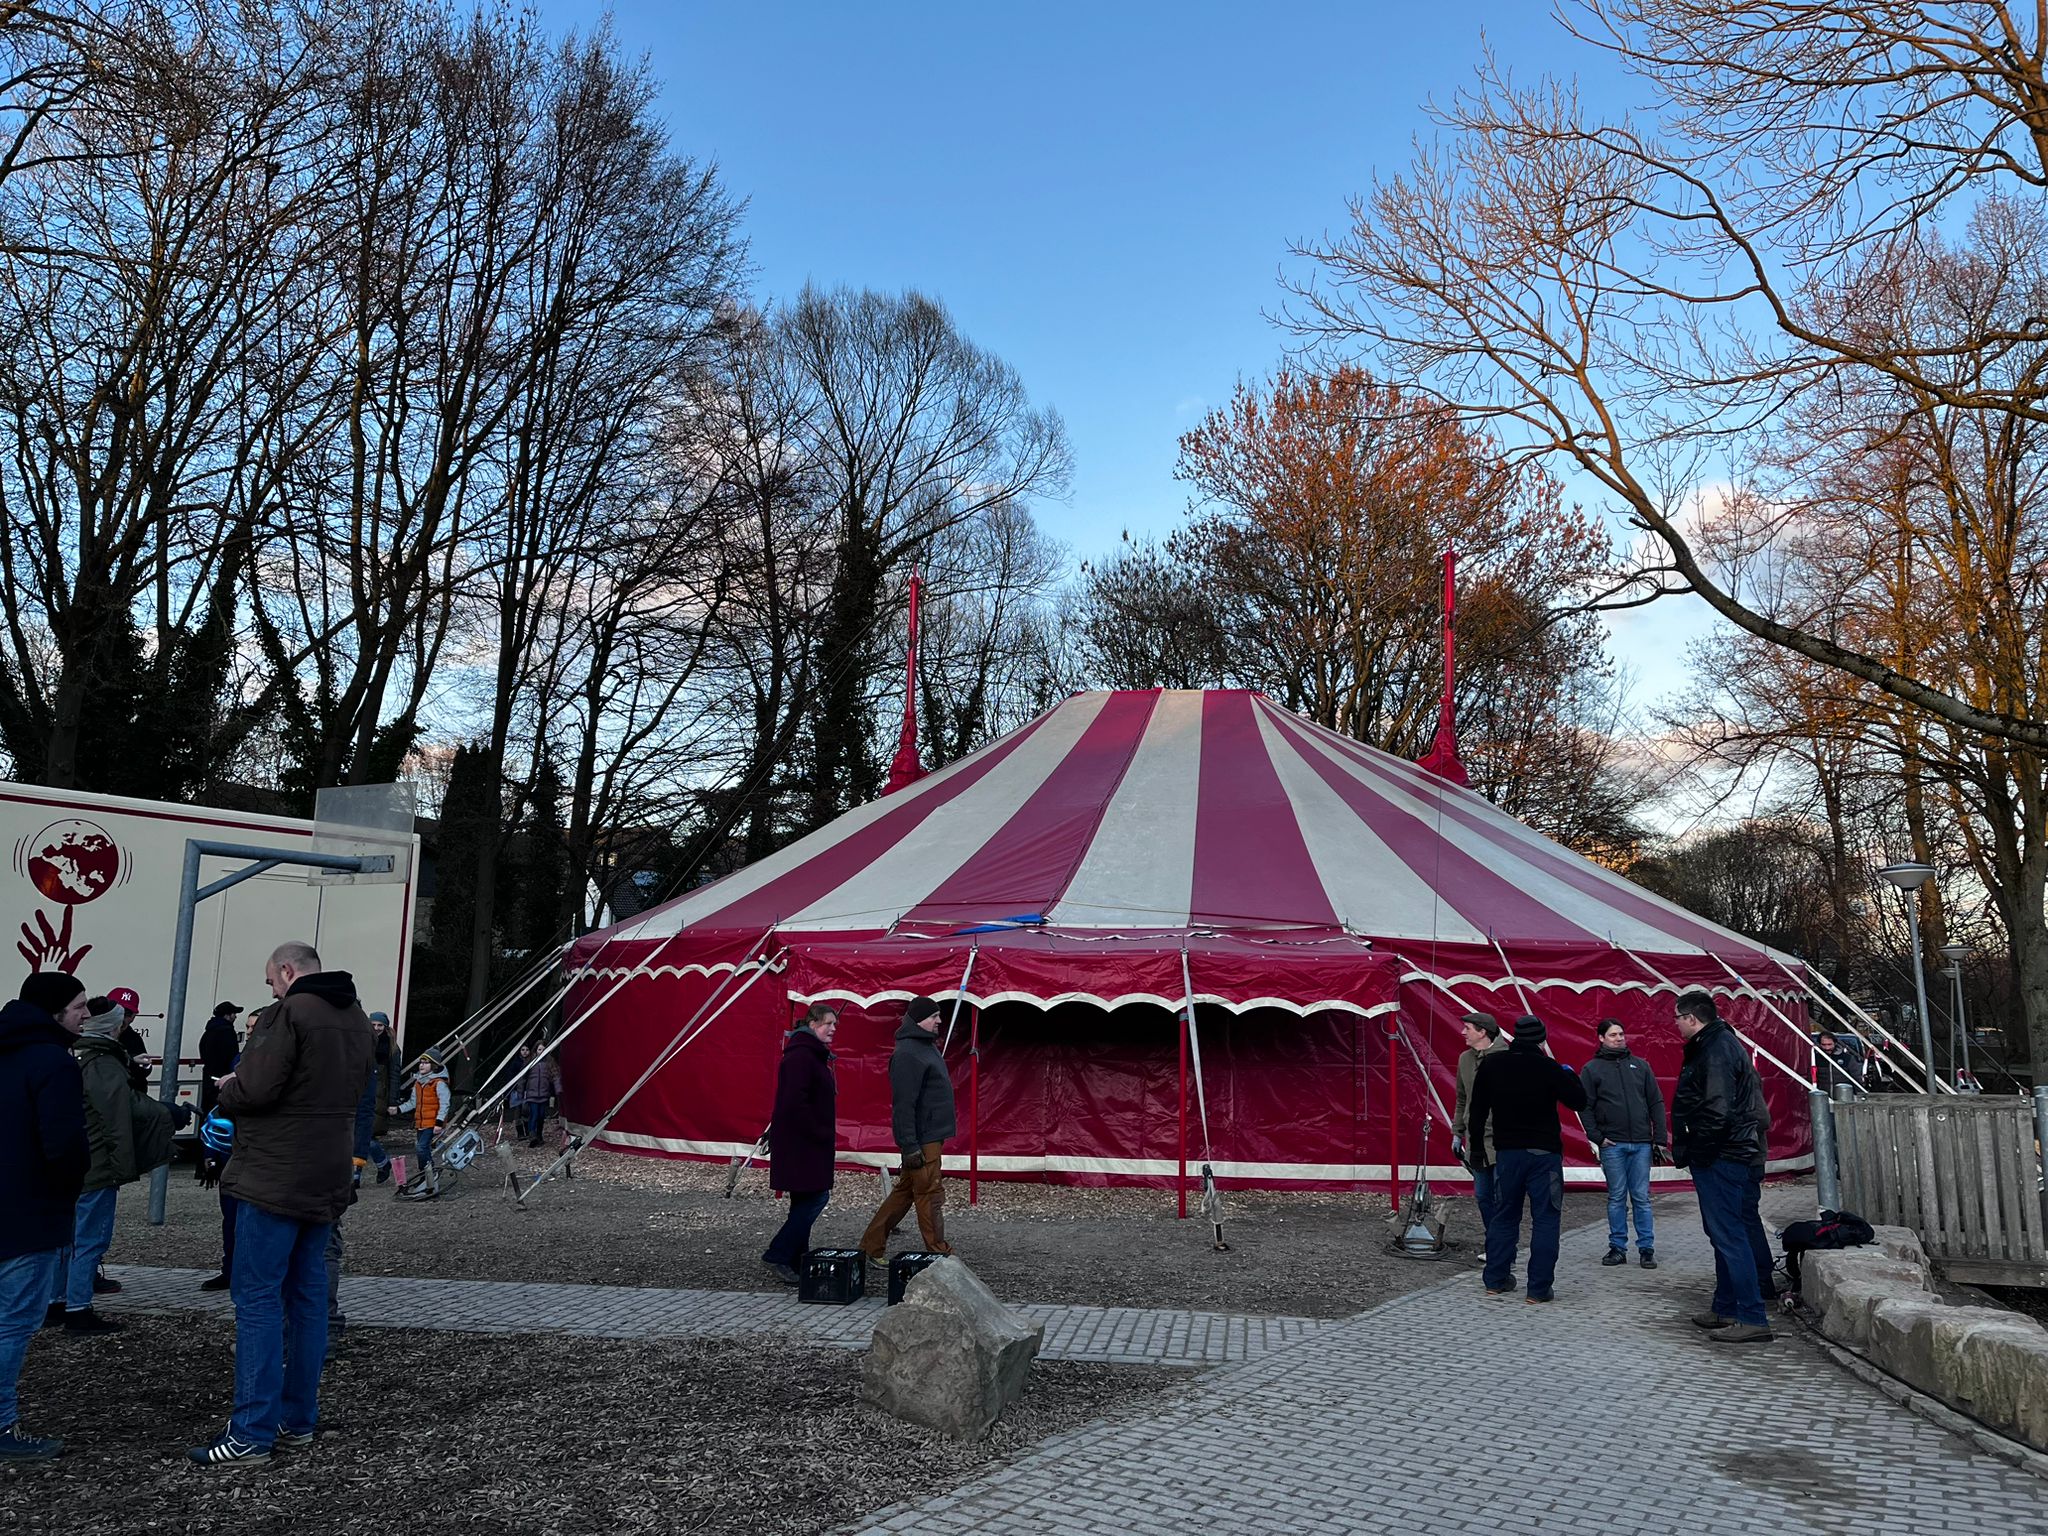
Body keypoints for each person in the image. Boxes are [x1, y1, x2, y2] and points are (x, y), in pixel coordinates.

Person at [187, 940, 373, 1466]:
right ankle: (298, 1420)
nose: (269, 988)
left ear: (288, 972)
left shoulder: (287, 1012)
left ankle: (251, 1430)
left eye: (270, 980)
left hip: (274, 1171)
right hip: (327, 1170)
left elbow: (259, 1089)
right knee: (309, 1297)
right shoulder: (357, 1017)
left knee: (258, 1299)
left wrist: (229, 1087)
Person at [0, 973, 91, 1462]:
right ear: (55, 1011)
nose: (85, 1014)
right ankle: (1, 1425)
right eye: (79, 1005)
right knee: (13, 1323)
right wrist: (67, 1189)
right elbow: (64, 1144)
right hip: (29, 1211)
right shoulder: (53, 1062)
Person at [57, 996, 184, 1334]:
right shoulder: (101, 1061)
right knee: (90, 1239)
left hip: (76, 1160)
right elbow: (117, 1112)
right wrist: (168, 1113)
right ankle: (78, 1309)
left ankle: (57, 1302)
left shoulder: (78, 1054)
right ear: (114, 1026)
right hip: (96, 1164)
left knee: (67, 1238)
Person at [1670, 990, 1773, 1345]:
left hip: (1722, 1154)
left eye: (1677, 1018)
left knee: (1729, 1234)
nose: (1676, 1024)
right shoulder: (1720, 1045)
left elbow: (1717, 1108)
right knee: (1724, 1233)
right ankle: (1727, 1306)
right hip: (1730, 1150)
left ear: (1692, 1019)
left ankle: (1751, 1314)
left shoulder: (1714, 1051)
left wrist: (1699, 1149)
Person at [1467, 1015, 1587, 1304]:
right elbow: (1579, 1101)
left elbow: (1478, 1111)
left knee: (1504, 1216)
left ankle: (1495, 1280)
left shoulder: (1492, 1065)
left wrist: (1476, 1150)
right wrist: (1569, 1074)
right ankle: (1538, 1289)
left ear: (1512, 1037)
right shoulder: (1548, 1068)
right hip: (1544, 1155)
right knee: (1546, 1218)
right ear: (1542, 1039)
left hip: (1507, 1153)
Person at [857, 997, 957, 1267]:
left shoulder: (925, 1047)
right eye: (934, 1016)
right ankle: (939, 1254)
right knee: (929, 1194)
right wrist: (909, 1146)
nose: (939, 1021)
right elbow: (904, 1105)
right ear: (918, 1019)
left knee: (905, 1192)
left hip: (931, 1135)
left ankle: (870, 1245)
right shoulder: (907, 1054)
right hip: (922, 1139)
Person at [1578, 1018, 1668, 1269]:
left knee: (1641, 1196)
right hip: (1612, 1144)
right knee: (1617, 1196)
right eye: (1613, 1034)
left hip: (1641, 1142)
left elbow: (1655, 1102)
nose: (1619, 1038)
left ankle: (1646, 1248)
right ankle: (1617, 1247)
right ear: (1601, 1038)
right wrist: (1596, 1136)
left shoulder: (1640, 1066)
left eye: (1621, 1033)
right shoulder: (1592, 1069)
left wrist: (1659, 1138)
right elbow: (1584, 1106)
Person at [763, 1005, 839, 1284]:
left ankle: (797, 1259)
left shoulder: (811, 1056)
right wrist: (818, 1131)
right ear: (812, 1023)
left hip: (804, 1141)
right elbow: (794, 1103)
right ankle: (778, 1253)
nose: (832, 1029)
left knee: (804, 1199)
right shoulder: (801, 1058)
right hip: (802, 1143)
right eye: (828, 1023)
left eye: (835, 1024)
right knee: (818, 1197)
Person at [1450, 1011, 1507, 1250]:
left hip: (1503, 1139)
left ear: (1482, 1031)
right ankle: (1493, 1241)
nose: (1463, 1032)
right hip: (1476, 1140)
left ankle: (1504, 1247)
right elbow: (1462, 1098)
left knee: (1503, 1196)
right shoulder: (1465, 1059)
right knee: (1483, 1196)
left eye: (1468, 1028)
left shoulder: (1506, 1057)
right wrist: (1457, 1131)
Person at [392, 1050, 451, 1199]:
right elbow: (413, 1102)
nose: (422, 1065)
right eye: (421, 1062)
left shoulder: (438, 1083)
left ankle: (430, 1172)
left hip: (432, 1122)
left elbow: (444, 1104)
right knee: (420, 1148)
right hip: (421, 1122)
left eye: (426, 1062)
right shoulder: (419, 1083)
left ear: (434, 1066)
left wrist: (439, 1122)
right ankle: (426, 1174)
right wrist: (398, 1109)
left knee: (422, 1147)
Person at [199, 1003, 242, 1117]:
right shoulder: (227, 1032)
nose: (235, 1017)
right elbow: (232, 1057)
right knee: (219, 1110)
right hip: (221, 1077)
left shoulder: (209, 1030)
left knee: (208, 1110)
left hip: (209, 1075)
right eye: (234, 1014)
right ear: (227, 1015)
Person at [518, 1041, 562, 1147]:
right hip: (532, 1094)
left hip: (543, 1094)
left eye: (543, 1049)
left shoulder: (550, 1062)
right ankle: (532, 1136)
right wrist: (520, 1092)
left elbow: (556, 1076)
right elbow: (522, 1078)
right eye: (539, 1049)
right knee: (534, 1114)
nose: (541, 1051)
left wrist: (558, 1089)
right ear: (535, 1050)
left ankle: (539, 1135)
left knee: (541, 1116)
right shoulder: (530, 1062)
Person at [369, 1013, 396, 1136]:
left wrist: (392, 1102)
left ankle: (380, 1156)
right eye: (373, 1024)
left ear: (385, 1027)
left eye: (380, 1025)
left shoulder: (392, 1048)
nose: (376, 1028)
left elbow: (394, 1075)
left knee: (371, 1133)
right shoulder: (363, 1041)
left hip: (380, 1092)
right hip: (362, 1088)